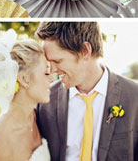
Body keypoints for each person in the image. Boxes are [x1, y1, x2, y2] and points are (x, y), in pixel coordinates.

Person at [36, 22, 138, 161]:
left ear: (85, 51)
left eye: (58, 61)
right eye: (49, 62)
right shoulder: (45, 101)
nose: (52, 70)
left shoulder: (134, 95)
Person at [0, 30, 53, 161]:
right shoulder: (0, 140)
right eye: (46, 73)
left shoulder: (34, 116)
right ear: (25, 79)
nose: (52, 79)